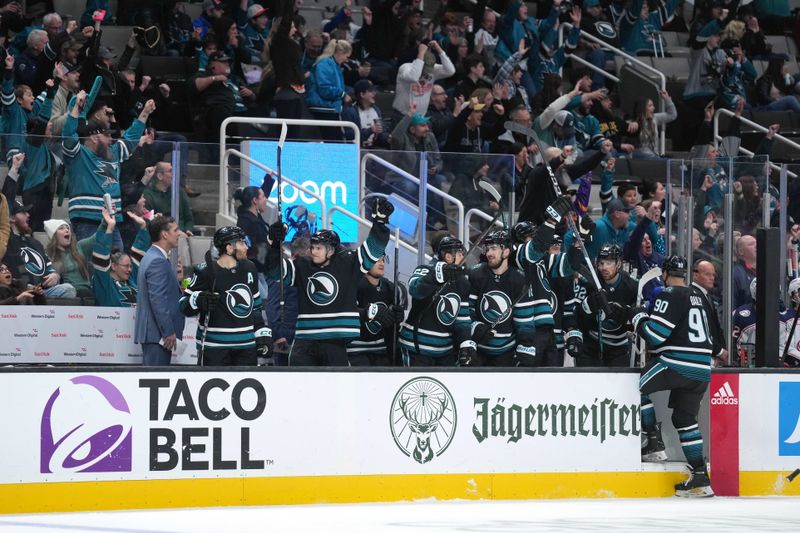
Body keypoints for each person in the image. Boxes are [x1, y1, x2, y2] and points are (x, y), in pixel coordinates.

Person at [268, 198, 393, 366]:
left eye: (319, 248)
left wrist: (380, 223)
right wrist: (274, 244)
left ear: (332, 250)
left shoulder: (348, 263)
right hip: (305, 342)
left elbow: (373, 249)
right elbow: (276, 271)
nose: (313, 251)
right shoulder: (303, 265)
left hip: (336, 342)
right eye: (312, 247)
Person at [630, 255, 714, 498]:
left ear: (665, 274)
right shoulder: (699, 296)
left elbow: (655, 336)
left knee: (635, 387)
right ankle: (700, 477)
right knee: (684, 418)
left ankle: (653, 442)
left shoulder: (669, 294)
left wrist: (638, 318)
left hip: (677, 364)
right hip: (702, 370)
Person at [62, 90, 155, 251]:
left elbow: (131, 139)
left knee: (117, 265)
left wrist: (145, 113)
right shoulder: (78, 154)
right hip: (87, 220)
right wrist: (76, 107)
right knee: (92, 265)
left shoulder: (113, 153)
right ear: (93, 137)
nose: (111, 139)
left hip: (112, 221)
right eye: (106, 136)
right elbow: (68, 134)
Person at [181, 226, 272, 366]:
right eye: (242, 243)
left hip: (246, 346)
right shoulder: (205, 271)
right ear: (229, 248)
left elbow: (256, 306)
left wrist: (260, 331)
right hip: (214, 347)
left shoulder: (250, 268)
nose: (246, 247)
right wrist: (199, 300)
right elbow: (182, 305)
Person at [399, 234, 472, 366]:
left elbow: (463, 319)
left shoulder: (462, 282)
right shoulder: (424, 270)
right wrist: (438, 276)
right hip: (418, 350)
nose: (463, 257)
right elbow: (415, 290)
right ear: (448, 256)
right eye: (460, 253)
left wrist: (465, 344)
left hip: (445, 353)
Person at [467, 230, 535, 367]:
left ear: (506, 252)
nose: (489, 253)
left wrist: (525, 345)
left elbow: (524, 321)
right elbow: (465, 311)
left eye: (494, 248)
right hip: (477, 351)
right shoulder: (475, 274)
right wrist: (476, 327)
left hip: (506, 352)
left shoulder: (519, 279)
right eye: (488, 249)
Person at [575, 244, 637, 367]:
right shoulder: (589, 283)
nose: (604, 267)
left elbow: (638, 317)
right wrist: (587, 306)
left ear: (619, 264)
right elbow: (576, 317)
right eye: (601, 263)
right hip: (591, 346)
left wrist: (627, 313)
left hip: (618, 349)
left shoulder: (631, 286)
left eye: (609, 263)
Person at [135, 215, 185, 366]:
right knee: (155, 382)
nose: (179, 233)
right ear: (164, 234)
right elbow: (158, 300)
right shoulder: (157, 261)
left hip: (156, 335)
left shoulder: (152, 257)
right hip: (159, 336)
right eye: (175, 230)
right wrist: (168, 331)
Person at [5, 200, 76, 299]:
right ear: (11, 217)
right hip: (18, 293)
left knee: (68, 289)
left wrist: (54, 275)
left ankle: (47, 313)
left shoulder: (35, 243)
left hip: (42, 292)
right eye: (23, 212)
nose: (28, 215)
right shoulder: (5, 242)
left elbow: (49, 267)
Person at [347, 255, 406, 366]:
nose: (381, 263)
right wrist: (367, 313)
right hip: (355, 351)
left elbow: (392, 326)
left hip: (381, 351)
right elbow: (346, 315)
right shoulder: (352, 286)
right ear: (364, 262)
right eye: (376, 260)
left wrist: (397, 317)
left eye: (383, 259)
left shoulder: (391, 289)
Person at [91, 208, 150, 307]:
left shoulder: (132, 281)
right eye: (126, 266)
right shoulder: (105, 284)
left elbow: (139, 253)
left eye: (130, 266)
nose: (130, 269)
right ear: (113, 266)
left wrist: (143, 227)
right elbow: (101, 254)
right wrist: (109, 228)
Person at [44, 219, 93, 298]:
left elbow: (98, 237)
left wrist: (106, 222)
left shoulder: (80, 247)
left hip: (88, 293)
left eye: (67, 228)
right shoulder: (48, 256)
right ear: (54, 235)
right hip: (68, 295)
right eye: (61, 228)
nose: (67, 230)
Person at [692, 259, 727, 367]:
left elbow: (715, 328)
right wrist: (719, 351)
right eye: (707, 274)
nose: (712, 278)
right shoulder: (692, 295)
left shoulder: (707, 296)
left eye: (713, 274)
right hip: (701, 359)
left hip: (712, 357)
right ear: (695, 275)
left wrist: (721, 350)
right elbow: (702, 330)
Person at [143, 162, 194, 235]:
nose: (174, 174)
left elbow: (188, 218)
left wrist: (188, 230)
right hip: (162, 237)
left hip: (182, 235)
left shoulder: (179, 192)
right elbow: (151, 223)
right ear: (160, 176)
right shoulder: (148, 195)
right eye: (170, 171)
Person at [733, 234, 757, 309]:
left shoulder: (767, 270)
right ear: (741, 252)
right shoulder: (735, 274)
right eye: (751, 244)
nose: (756, 246)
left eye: (757, 243)